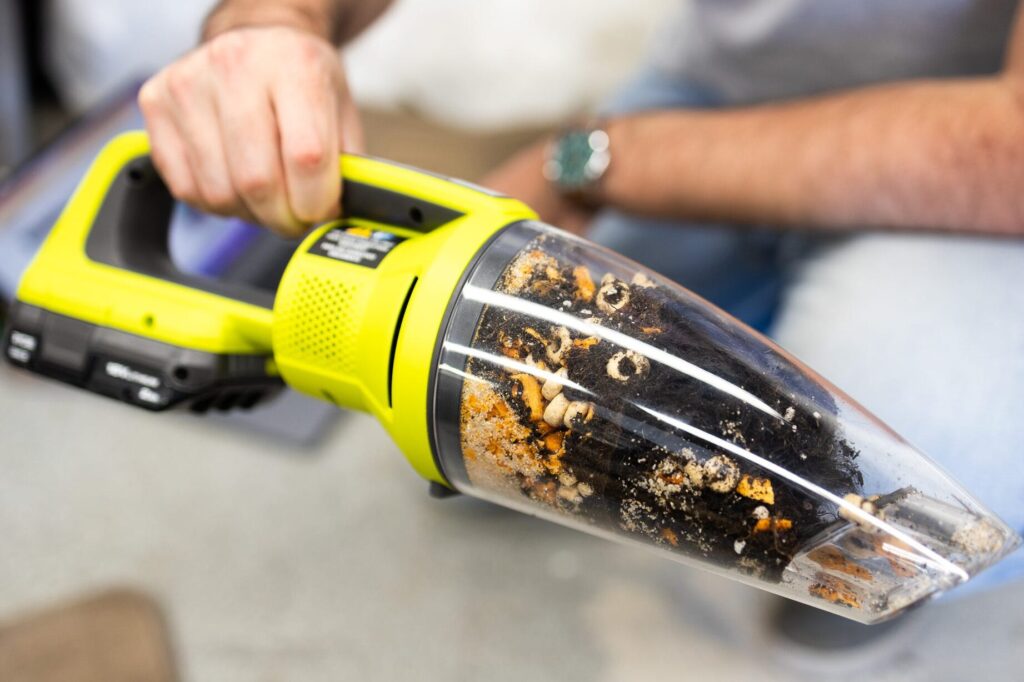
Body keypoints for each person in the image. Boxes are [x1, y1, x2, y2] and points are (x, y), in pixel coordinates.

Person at [139, 0, 1023, 608]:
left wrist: (586, 163)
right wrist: (271, 25)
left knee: (922, 470)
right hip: (723, 95)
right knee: (500, 420)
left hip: (971, 161)